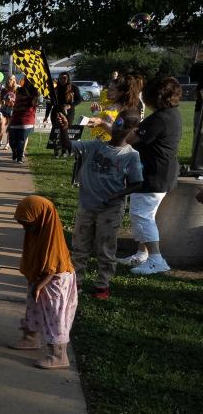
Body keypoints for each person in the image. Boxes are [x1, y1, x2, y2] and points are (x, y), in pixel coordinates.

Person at [58, 110, 143, 299]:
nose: (119, 130)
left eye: (125, 127)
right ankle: (76, 282)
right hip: (87, 206)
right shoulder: (95, 146)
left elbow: (137, 182)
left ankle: (102, 285)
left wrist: (117, 195)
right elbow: (68, 145)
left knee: (105, 248)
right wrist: (64, 129)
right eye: (117, 125)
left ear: (134, 131)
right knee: (80, 247)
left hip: (110, 210)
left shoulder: (131, 156)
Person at [10, 196, 78, 370]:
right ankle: (30, 338)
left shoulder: (51, 235)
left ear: (41, 218)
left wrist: (40, 285)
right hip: (40, 277)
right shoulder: (36, 231)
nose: (25, 228)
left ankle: (59, 355)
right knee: (33, 307)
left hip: (55, 281)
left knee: (54, 316)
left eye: (28, 224)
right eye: (22, 223)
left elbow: (54, 266)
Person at [126, 76, 184, 275]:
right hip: (162, 172)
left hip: (153, 174)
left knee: (142, 215)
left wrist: (119, 128)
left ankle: (156, 259)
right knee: (146, 215)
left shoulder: (159, 118)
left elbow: (131, 139)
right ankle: (142, 254)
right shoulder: (171, 114)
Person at [49, 73, 80, 158]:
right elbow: (50, 103)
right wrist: (46, 115)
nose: (62, 80)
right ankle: (56, 150)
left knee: (65, 130)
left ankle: (64, 150)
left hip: (68, 112)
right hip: (56, 111)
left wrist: (71, 105)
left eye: (64, 78)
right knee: (56, 130)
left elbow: (79, 99)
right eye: (61, 78)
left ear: (68, 79)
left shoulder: (73, 88)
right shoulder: (55, 89)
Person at [7, 85, 39, 164]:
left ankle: (19, 158)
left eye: (19, 93)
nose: (17, 95)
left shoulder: (31, 98)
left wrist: (35, 95)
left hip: (26, 122)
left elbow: (35, 102)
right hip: (15, 122)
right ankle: (14, 151)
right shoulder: (17, 101)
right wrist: (9, 124)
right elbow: (14, 112)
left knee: (21, 141)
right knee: (12, 142)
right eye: (17, 93)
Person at [0, 75, 18, 149]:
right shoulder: (4, 90)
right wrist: (3, 102)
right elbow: (0, 100)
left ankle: (7, 143)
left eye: (11, 79)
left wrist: (12, 102)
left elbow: (18, 101)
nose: (9, 81)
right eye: (8, 79)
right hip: (4, 110)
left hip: (12, 110)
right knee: (1, 125)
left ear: (14, 80)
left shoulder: (16, 90)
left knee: (9, 128)